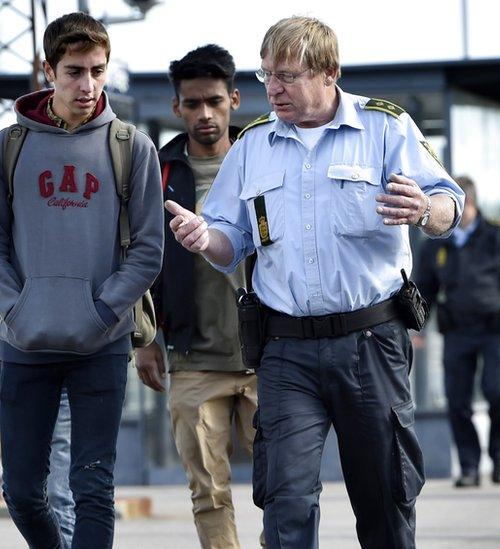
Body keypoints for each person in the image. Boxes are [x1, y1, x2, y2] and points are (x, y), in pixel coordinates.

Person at [163, 16, 464, 548]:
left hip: (370, 345)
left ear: (330, 73)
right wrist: (201, 237)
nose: (274, 88)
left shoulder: (385, 127)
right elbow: (231, 239)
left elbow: (450, 203)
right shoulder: (253, 145)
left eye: (288, 75)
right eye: (265, 77)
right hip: (286, 352)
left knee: (384, 499)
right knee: (285, 501)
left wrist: (426, 208)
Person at [0, 12, 163, 548]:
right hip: (26, 344)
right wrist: (17, 310)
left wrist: (104, 311)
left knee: (93, 487)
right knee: (23, 492)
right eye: (75, 71)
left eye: (98, 71)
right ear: (48, 70)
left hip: (101, 344)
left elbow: (148, 250)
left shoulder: (131, 146)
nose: (88, 84)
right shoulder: (9, 147)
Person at [134, 44, 260, 548]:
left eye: (214, 101)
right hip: (191, 358)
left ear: (233, 99)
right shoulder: (156, 173)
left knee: (285, 487)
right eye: (193, 104)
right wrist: (145, 339)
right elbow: (138, 260)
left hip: (268, 357)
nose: (204, 114)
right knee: (208, 491)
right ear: (177, 108)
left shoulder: (262, 162)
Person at [414, 175, 500, 488]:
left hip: (496, 329)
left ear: (471, 203)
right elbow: (423, 289)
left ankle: (498, 458)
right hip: (457, 331)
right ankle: (468, 466)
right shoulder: (435, 245)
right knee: (458, 401)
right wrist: (417, 326)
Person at [0, 248, 76, 549]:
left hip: (67, 372)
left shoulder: (64, 221)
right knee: (21, 494)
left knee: (60, 494)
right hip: (13, 381)